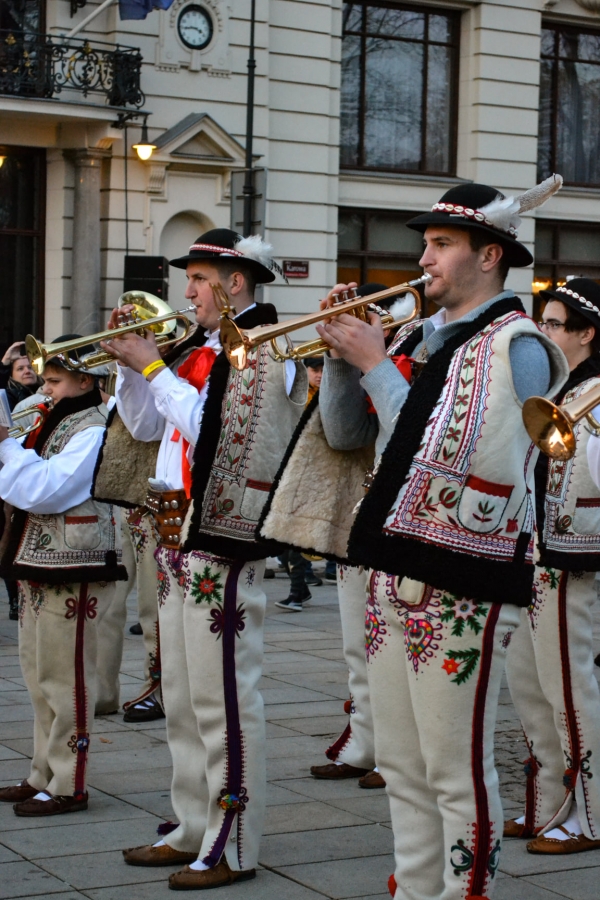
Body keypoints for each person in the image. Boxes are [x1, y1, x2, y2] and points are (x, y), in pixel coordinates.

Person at [261, 178, 569, 900]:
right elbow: (346, 436)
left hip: (460, 579)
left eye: (441, 244)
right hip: (389, 565)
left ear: (489, 256)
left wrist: (375, 365)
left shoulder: (516, 346)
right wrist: (345, 361)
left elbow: (459, 460)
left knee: (453, 769)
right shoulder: (421, 340)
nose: (424, 259)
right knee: (401, 762)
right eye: (425, 243)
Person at [105, 228, 306, 891]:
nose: (186, 292)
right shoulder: (201, 347)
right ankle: (192, 825)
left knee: (223, 698)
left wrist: (154, 369)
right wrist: (130, 367)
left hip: (221, 537)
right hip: (173, 531)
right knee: (185, 700)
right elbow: (145, 426)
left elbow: (214, 432)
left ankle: (233, 840)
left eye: (196, 279)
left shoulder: (265, 347)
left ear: (234, 282)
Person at [0, 341, 126, 816]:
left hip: (74, 563)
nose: (45, 390)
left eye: (54, 382)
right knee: (38, 677)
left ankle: (70, 781)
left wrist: (6, 446)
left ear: (85, 381)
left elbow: (47, 489)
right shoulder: (52, 418)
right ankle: (42, 772)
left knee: (66, 679)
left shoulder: (92, 427)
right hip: (41, 561)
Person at [505, 278, 600, 853]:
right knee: (529, 685)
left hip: (572, 556)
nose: (543, 332)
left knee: (569, 686)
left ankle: (590, 812)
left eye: (555, 324)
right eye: (541, 321)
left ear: (587, 334)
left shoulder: (595, 392)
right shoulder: (554, 388)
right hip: (530, 550)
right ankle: (546, 802)